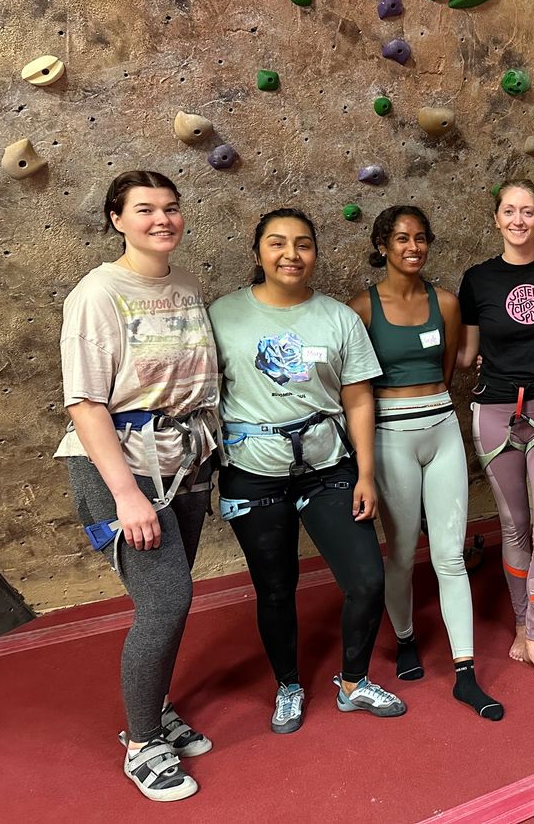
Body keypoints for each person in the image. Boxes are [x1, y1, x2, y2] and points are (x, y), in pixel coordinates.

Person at [56, 170, 218, 802]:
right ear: (117, 220)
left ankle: (154, 706)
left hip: (186, 459)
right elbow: (87, 404)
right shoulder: (98, 293)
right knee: (165, 601)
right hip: (121, 465)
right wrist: (127, 495)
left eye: (171, 208)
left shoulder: (184, 282)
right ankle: (143, 739)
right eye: (145, 209)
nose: (162, 220)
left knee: (173, 598)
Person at [210, 208, 404, 735]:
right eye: (277, 243)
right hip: (254, 474)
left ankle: (353, 681)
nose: (290, 254)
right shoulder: (223, 316)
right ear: (258, 253)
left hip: (327, 468)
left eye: (302, 244)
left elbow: (359, 398)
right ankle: (289, 684)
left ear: (315, 252)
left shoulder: (338, 318)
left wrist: (365, 474)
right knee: (276, 587)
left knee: (366, 580)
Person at [348, 205, 503, 720]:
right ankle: (407, 638)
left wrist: (430, 406)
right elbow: (360, 389)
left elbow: (445, 370)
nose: (412, 247)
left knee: (450, 555)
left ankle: (465, 672)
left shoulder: (447, 303)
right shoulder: (362, 309)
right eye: (400, 239)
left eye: (420, 238)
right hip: (390, 434)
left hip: (441, 428)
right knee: (399, 554)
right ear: (382, 246)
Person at [458, 179, 534, 681]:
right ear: (497, 219)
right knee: (515, 526)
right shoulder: (477, 280)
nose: (518, 220)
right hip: (495, 413)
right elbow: (465, 355)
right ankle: (523, 629)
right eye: (509, 210)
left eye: (528, 211)